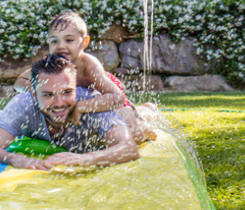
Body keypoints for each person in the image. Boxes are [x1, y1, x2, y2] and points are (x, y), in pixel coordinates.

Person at [14, 11, 156, 144]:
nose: (60, 46)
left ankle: (146, 112)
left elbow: (116, 98)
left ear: (84, 42)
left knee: (135, 135)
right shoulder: (49, 64)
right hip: (85, 99)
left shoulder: (89, 65)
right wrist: (40, 90)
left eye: (69, 40)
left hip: (105, 94)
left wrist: (79, 107)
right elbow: (19, 82)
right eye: (54, 41)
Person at [0, 54, 140, 170]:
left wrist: (85, 159)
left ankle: (146, 111)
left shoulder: (91, 101)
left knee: (141, 132)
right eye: (48, 95)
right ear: (34, 94)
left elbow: (129, 148)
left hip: (122, 114)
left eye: (67, 92)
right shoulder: (23, 104)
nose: (59, 103)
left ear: (76, 89)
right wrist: (15, 158)